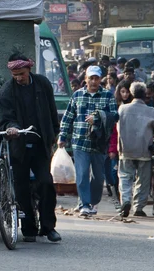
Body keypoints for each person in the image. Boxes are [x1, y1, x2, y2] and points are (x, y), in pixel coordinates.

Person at [0, 54, 61, 243]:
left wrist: (54, 133)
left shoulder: (43, 84)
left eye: (21, 74)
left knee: (46, 183)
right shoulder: (6, 92)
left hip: (41, 144)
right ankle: (29, 229)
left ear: (29, 70)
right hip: (18, 147)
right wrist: (11, 127)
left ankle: (49, 227)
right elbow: (5, 118)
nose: (19, 78)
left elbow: (51, 110)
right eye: (15, 74)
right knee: (21, 188)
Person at [58, 65, 117, 216]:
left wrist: (97, 117)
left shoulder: (108, 96)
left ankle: (93, 202)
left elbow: (115, 116)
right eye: (91, 78)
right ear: (86, 79)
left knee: (98, 177)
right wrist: (62, 136)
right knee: (82, 173)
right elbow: (68, 117)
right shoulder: (77, 96)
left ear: (100, 80)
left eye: (96, 78)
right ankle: (84, 204)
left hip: (99, 143)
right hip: (80, 141)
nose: (94, 81)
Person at [117, 82, 154, 217]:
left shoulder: (122, 109)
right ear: (144, 95)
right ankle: (138, 207)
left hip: (126, 150)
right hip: (144, 151)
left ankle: (125, 200)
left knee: (125, 177)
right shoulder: (151, 112)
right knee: (142, 180)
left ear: (131, 94)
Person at [106, 80, 133, 200]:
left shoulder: (134, 106)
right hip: (116, 142)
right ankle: (115, 190)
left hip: (130, 143)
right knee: (114, 170)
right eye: (123, 92)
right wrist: (112, 148)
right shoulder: (115, 106)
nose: (125, 94)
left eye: (127, 92)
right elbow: (112, 130)